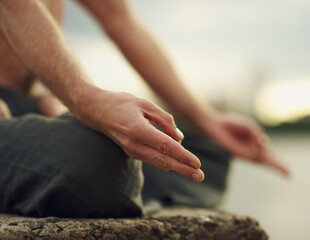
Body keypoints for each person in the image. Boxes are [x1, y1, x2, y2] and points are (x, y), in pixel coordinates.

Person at [0, 0, 289, 218]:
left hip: (27, 106)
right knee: (96, 157)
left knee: (205, 154)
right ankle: (116, 183)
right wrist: (87, 100)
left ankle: (118, 186)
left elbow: (122, 22)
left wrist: (207, 119)